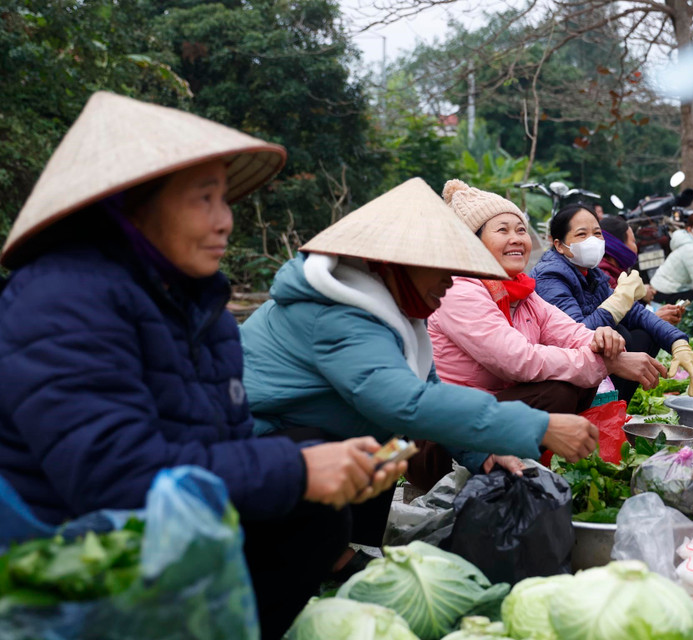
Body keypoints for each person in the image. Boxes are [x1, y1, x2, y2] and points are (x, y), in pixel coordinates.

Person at [0, 92, 405, 639]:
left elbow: (224, 448)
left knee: (314, 517)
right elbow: (110, 477)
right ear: (129, 207)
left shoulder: (200, 307)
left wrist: (317, 463)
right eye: (203, 199)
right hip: (63, 544)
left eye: (225, 199)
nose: (224, 222)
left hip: (157, 525)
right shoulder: (61, 297)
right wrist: (297, 469)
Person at [240, 178, 598, 497]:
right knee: (377, 447)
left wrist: (483, 451)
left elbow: (430, 388)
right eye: (442, 268)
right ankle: (321, 548)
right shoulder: (338, 313)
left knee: (384, 453)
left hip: (314, 434)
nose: (449, 281)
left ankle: (345, 544)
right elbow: (407, 403)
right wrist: (540, 426)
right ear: (400, 263)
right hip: (253, 450)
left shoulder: (398, 313)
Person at [427, 181, 677, 430]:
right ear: (473, 242)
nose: (516, 239)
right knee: (559, 391)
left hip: (495, 402)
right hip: (456, 417)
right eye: (503, 231)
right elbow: (517, 359)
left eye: (521, 230)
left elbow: (569, 331)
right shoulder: (458, 288)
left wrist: (601, 342)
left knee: (585, 371)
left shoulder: (522, 290)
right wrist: (608, 362)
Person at [527, 202, 693, 402]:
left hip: (588, 368)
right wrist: (619, 301)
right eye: (582, 234)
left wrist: (678, 342)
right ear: (559, 245)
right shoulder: (550, 276)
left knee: (644, 332)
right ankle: (599, 408)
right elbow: (576, 335)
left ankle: (615, 406)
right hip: (560, 373)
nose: (592, 240)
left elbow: (638, 314)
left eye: (597, 233)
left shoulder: (593, 274)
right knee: (620, 335)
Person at [598, 215, 685, 326]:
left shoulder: (614, 271)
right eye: (633, 242)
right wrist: (656, 317)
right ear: (617, 245)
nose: (636, 248)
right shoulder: (604, 276)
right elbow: (618, 320)